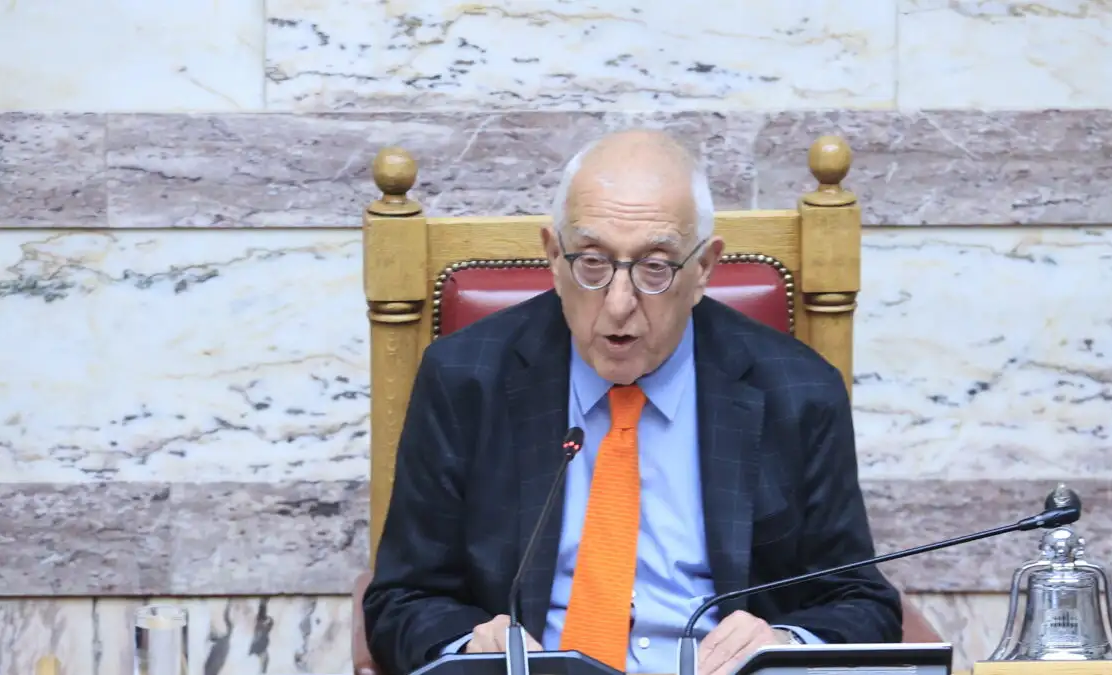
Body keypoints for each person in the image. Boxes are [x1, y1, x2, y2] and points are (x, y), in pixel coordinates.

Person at [362, 129, 901, 675]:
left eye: (655, 267)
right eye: (592, 263)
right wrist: (471, 650)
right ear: (554, 256)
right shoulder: (465, 379)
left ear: (704, 269)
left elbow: (860, 602)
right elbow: (402, 598)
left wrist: (783, 644)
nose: (619, 305)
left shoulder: (797, 391)